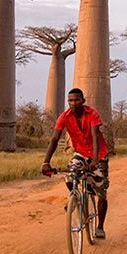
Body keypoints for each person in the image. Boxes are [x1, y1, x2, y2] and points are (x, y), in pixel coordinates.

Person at [42, 88, 110, 239]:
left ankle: (100, 227)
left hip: (99, 154)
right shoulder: (64, 116)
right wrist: (46, 162)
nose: (73, 103)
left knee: (101, 192)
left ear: (83, 101)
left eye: (76, 100)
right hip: (80, 153)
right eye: (70, 101)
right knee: (70, 173)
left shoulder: (92, 114)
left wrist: (95, 160)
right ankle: (75, 198)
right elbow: (54, 139)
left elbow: (95, 137)